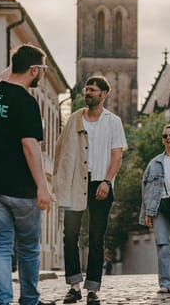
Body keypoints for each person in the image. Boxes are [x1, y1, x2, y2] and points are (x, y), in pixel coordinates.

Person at [0, 44, 54, 305]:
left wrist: (17, 60)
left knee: (0, 244)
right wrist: (42, 187)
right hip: (21, 188)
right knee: (28, 248)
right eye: (42, 70)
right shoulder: (26, 102)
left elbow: (2, 78)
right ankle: (30, 299)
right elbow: (30, 145)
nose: (43, 75)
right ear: (34, 70)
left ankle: (2, 300)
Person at [53, 75, 127, 305]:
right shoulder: (75, 119)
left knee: (96, 237)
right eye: (86, 89)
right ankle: (74, 286)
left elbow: (117, 155)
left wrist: (107, 181)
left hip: (100, 182)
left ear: (104, 94)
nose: (87, 93)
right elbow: (61, 151)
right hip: (77, 182)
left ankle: (93, 289)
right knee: (70, 235)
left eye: (93, 90)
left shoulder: (113, 121)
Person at [140, 124, 170, 294]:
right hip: (160, 207)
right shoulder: (154, 163)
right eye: (165, 136)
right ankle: (165, 283)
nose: (168, 138)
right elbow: (145, 189)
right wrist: (147, 212)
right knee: (162, 244)